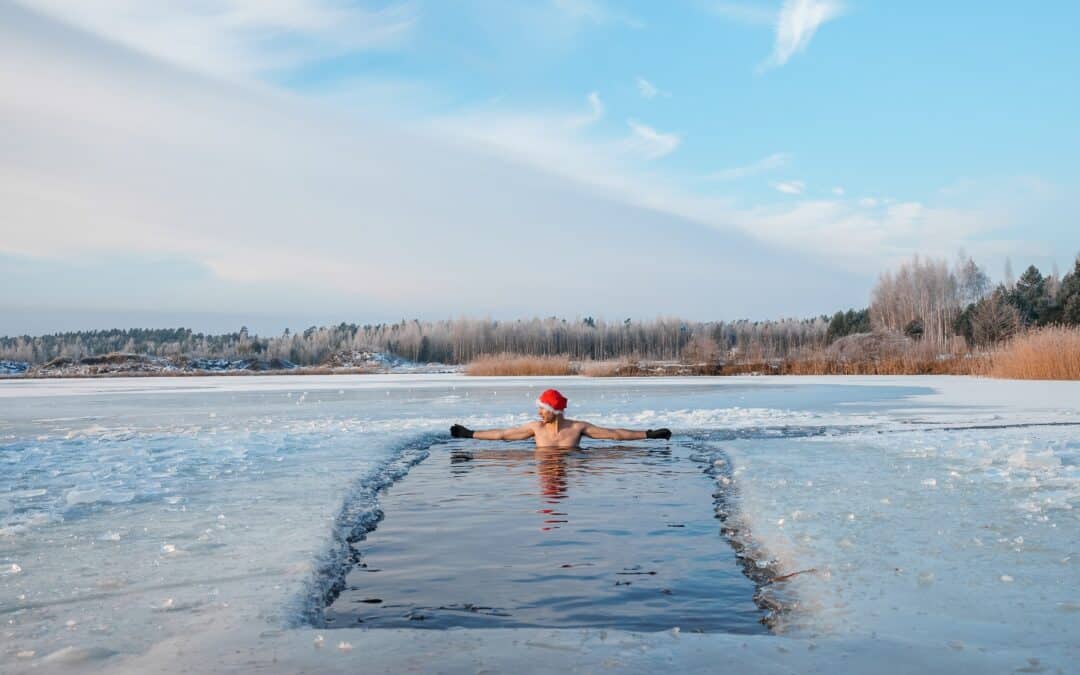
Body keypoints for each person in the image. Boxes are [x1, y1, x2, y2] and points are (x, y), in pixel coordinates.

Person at [450, 388, 671, 448]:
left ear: (554, 410)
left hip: (569, 458)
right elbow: (502, 435)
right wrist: (470, 434)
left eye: (542, 409)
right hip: (543, 458)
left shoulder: (577, 428)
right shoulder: (536, 429)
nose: (539, 413)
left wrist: (649, 435)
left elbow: (614, 435)